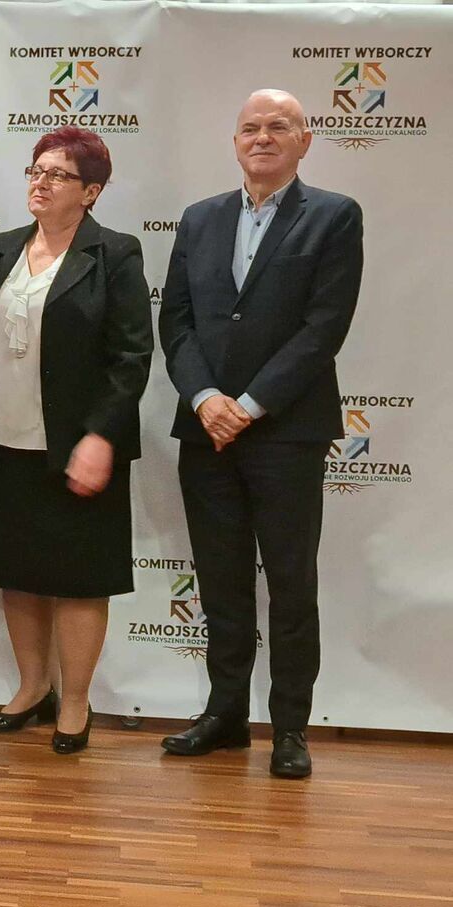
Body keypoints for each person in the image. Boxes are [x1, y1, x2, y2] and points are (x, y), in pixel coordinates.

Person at [158, 89, 364, 778]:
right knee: (220, 584)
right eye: (251, 127)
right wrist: (206, 399)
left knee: (291, 584)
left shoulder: (333, 215)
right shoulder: (200, 218)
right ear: (235, 141)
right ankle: (224, 715)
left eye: (279, 126)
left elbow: (323, 328)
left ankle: (290, 727)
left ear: (305, 140)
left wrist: (247, 405)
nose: (263, 137)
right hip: (205, 432)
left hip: (286, 433)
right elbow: (176, 323)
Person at [0, 128, 152, 754]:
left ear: (91, 192)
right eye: (35, 170)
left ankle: (77, 701)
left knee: (79, 577)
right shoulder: (0, 249)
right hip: (0, 437)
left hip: (77, 448)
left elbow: (131, 357)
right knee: (18, 571)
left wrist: (100, 437)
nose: (41, 181)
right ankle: (33, 687)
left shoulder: (114, 253)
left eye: (58, 174)